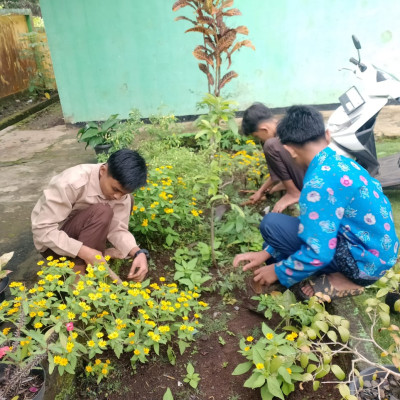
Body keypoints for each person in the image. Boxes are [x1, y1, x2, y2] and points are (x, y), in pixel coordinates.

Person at [234, 105, 399, 300]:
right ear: (327, 136)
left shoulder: (317, 185)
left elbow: (319, 252)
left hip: (363, 265)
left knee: (272, 224)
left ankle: (343, 279)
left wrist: (278, 272)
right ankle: (279, 259)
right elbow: (317, 226)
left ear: (289, 150)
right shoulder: (342, 163)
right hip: (379, 252)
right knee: (277, 233)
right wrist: (266, 252)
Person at [31, 149, 149, 282]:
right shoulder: (71, 182)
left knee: (127, 201)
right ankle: (78, 275)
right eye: (115, 189)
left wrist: (138, 253)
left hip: (85, 232)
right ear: (103, 171)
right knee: (102, 211)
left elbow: (118, 229)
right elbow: (42, 231)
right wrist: (83, 251)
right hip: (53, 245)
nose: (117, 196)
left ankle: (97, 256)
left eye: (123, 193)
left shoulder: (121, 194)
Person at [241, 102, 305, 213]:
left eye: (257, 136)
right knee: (275, 187)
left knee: (270, 146)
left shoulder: (275, 142)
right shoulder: (284, 125)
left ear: (264, 129)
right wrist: (261, 191)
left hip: (311, 174)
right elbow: (281, 170)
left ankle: (294, 193)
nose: (260, 140)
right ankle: (284, 192)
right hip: (308, 171)